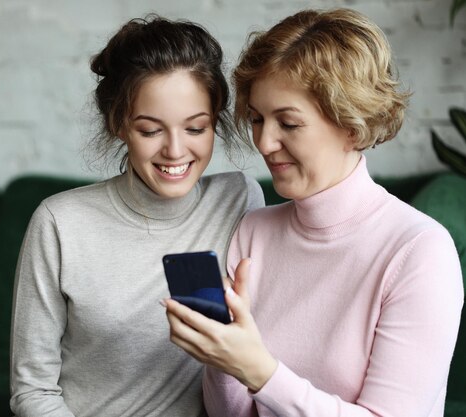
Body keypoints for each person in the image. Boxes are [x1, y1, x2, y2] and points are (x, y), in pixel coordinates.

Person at [163, 8, 464, 417]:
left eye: (288, 123)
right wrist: (223, 357)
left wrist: (260, 371)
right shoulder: (254, 230)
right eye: (257, 119)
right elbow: (227, 413)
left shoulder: (418, 251)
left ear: (352, 126)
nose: (265, 142)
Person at [9, 15, 265, 417]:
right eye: (150, 131)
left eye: (196, 128)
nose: (175, 151)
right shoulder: (60, 223)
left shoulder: (239, 200)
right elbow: (33, 390)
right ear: (119, 125)